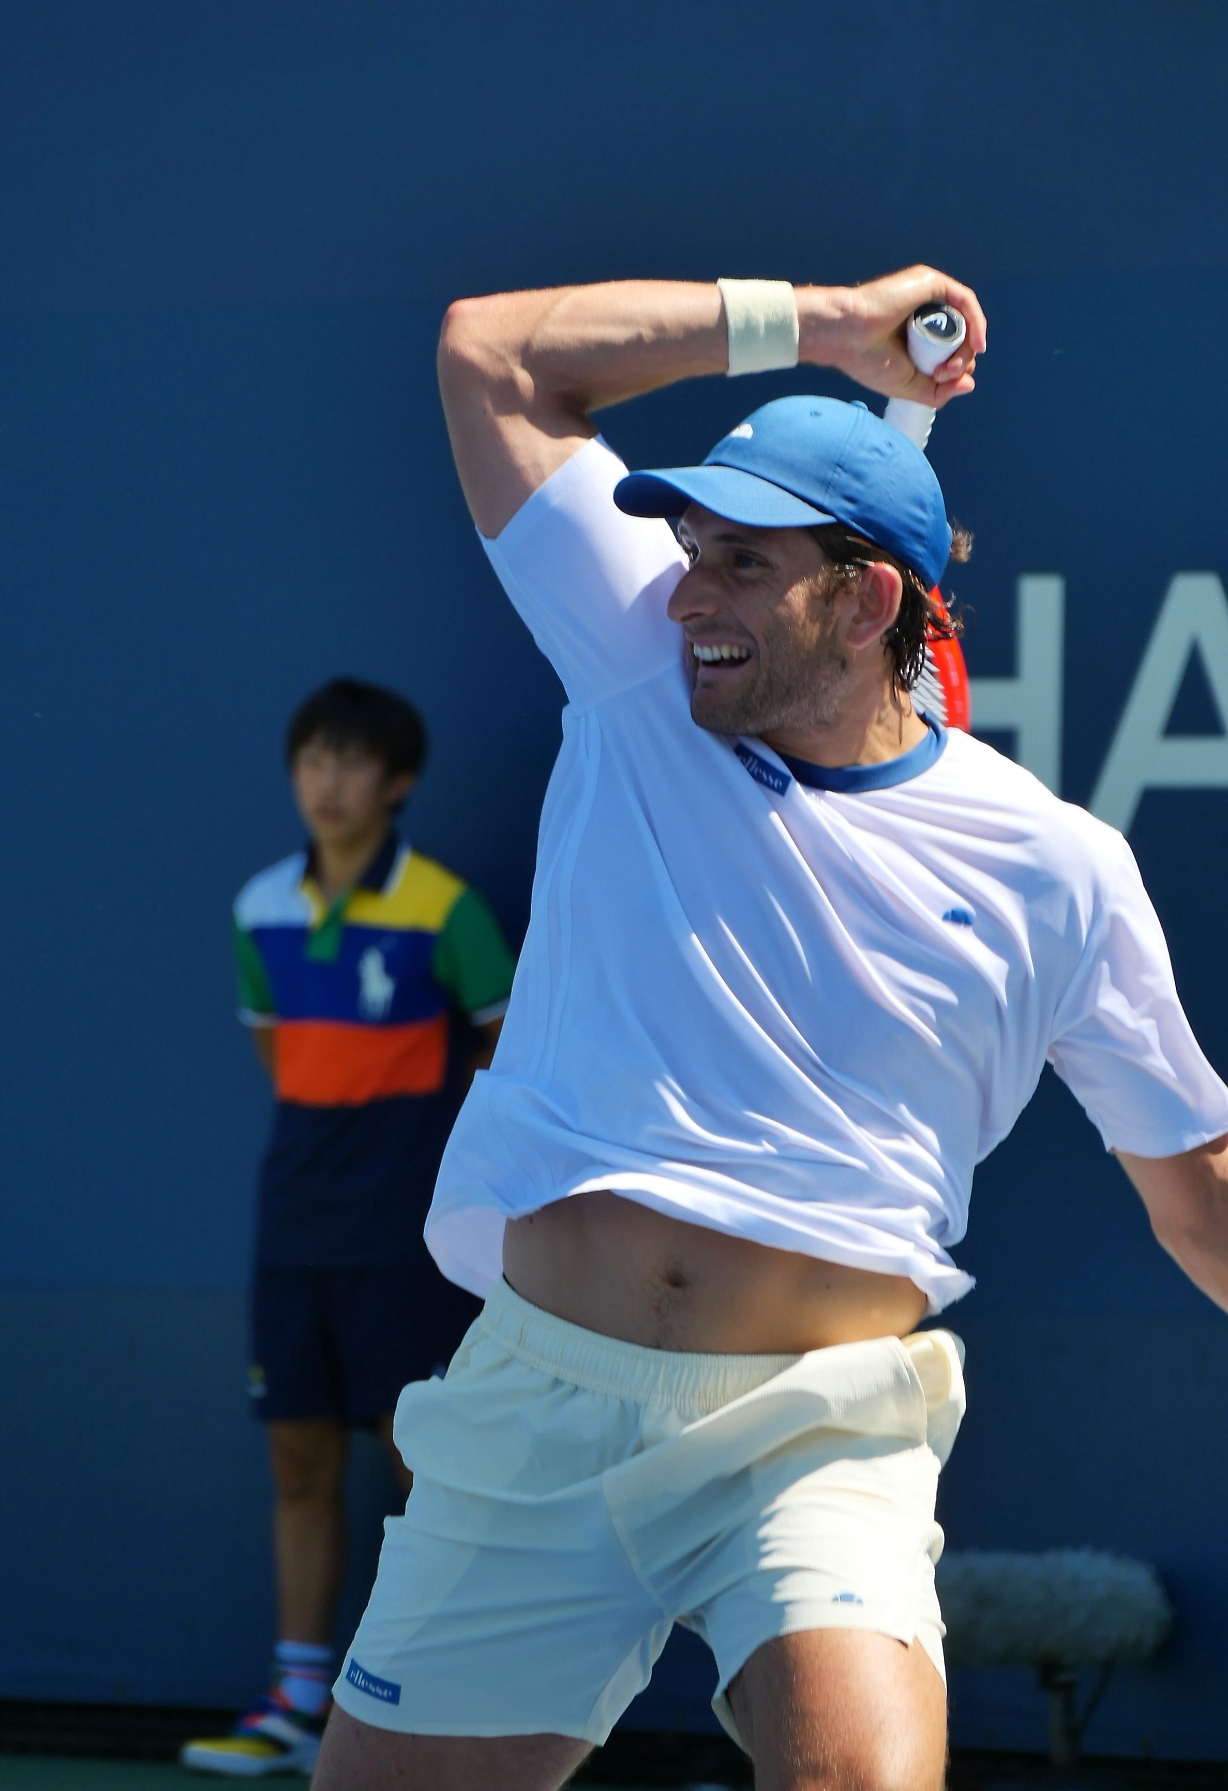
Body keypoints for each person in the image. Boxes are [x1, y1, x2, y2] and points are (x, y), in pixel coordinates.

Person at [310, 267, 1228, 1791]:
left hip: (815, 1432)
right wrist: (823, 322)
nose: (685, 596)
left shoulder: (1059, 870)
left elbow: (1200, 1195)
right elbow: (492, 354)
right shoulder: (638, 670)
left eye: (741, 563)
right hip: (535, 1406)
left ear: (867, 604)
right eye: (687, 552)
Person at [181, 678, 517, 1779]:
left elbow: (502, 1046)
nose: (328, 783)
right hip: (293, 1220)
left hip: (406, 1229)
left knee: (420, 1459)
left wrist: (418, 1150)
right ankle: (296, 1701)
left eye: (353, 761)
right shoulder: (259, 907)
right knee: (297, 1456)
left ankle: (447, 1705)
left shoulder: (446, 908)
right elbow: (278, 1052)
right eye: (312, 760)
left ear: (399, 781)